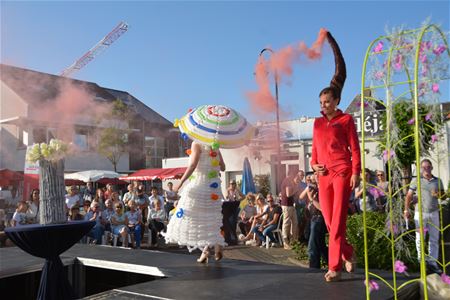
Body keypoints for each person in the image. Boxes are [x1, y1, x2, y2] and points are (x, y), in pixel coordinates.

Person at [310, 31, 360, 282]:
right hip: (323, 176)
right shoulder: (317, 124)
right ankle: (348, 253)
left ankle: (334, 267)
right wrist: (313, 164)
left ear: (336, 100)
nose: (323, 105)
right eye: (321, 102)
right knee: (329, 221)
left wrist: (357, 173)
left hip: (342, 173)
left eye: (327, 101)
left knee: (338, 221)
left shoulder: (346, 119)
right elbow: (314, 151)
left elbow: (355, 148)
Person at [165, 141, 226, 263]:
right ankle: (210, 249)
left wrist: (181, 182)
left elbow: (192, 165)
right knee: (211, 219)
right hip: (213, 188)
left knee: (192, 217)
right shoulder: (215, 145)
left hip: (200, 185)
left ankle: (207, 250)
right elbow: (223, 168)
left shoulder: (196, 144)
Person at [404, 159, 445, 275]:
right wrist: (406, 209)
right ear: (421, 169)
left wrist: (439, 194)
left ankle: (432, 262)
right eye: (424, 167)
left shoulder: (438, 181)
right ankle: (421, 260)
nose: (426, 169)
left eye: (428, 167)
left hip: (434, 212)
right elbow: (408, 195)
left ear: (431, 168)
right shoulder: (416, 180)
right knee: (420, 237)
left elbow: (443, 196)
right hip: (420, 212)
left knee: (434, 238)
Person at [280, 169, 299, 250]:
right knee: (286, 224)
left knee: (295, 222)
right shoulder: (287, 181)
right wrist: (296, 190)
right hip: (287, 205)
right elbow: (288, 194)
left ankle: (293, 240)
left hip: (290, 205)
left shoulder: (289, 181)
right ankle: (286, 243)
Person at [223, 180, 244, 246]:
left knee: (234, 222)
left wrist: (238, 199)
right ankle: (231, 238)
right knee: (230, 222)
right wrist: (229, 195)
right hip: (229, 207)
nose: (232, 185)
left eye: (234, 184)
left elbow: (244, 196)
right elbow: (226, 197)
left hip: (235, 206)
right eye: (231, 184)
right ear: (229, 184)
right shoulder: (228, 190)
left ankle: (234, 239)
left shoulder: (237, 190)